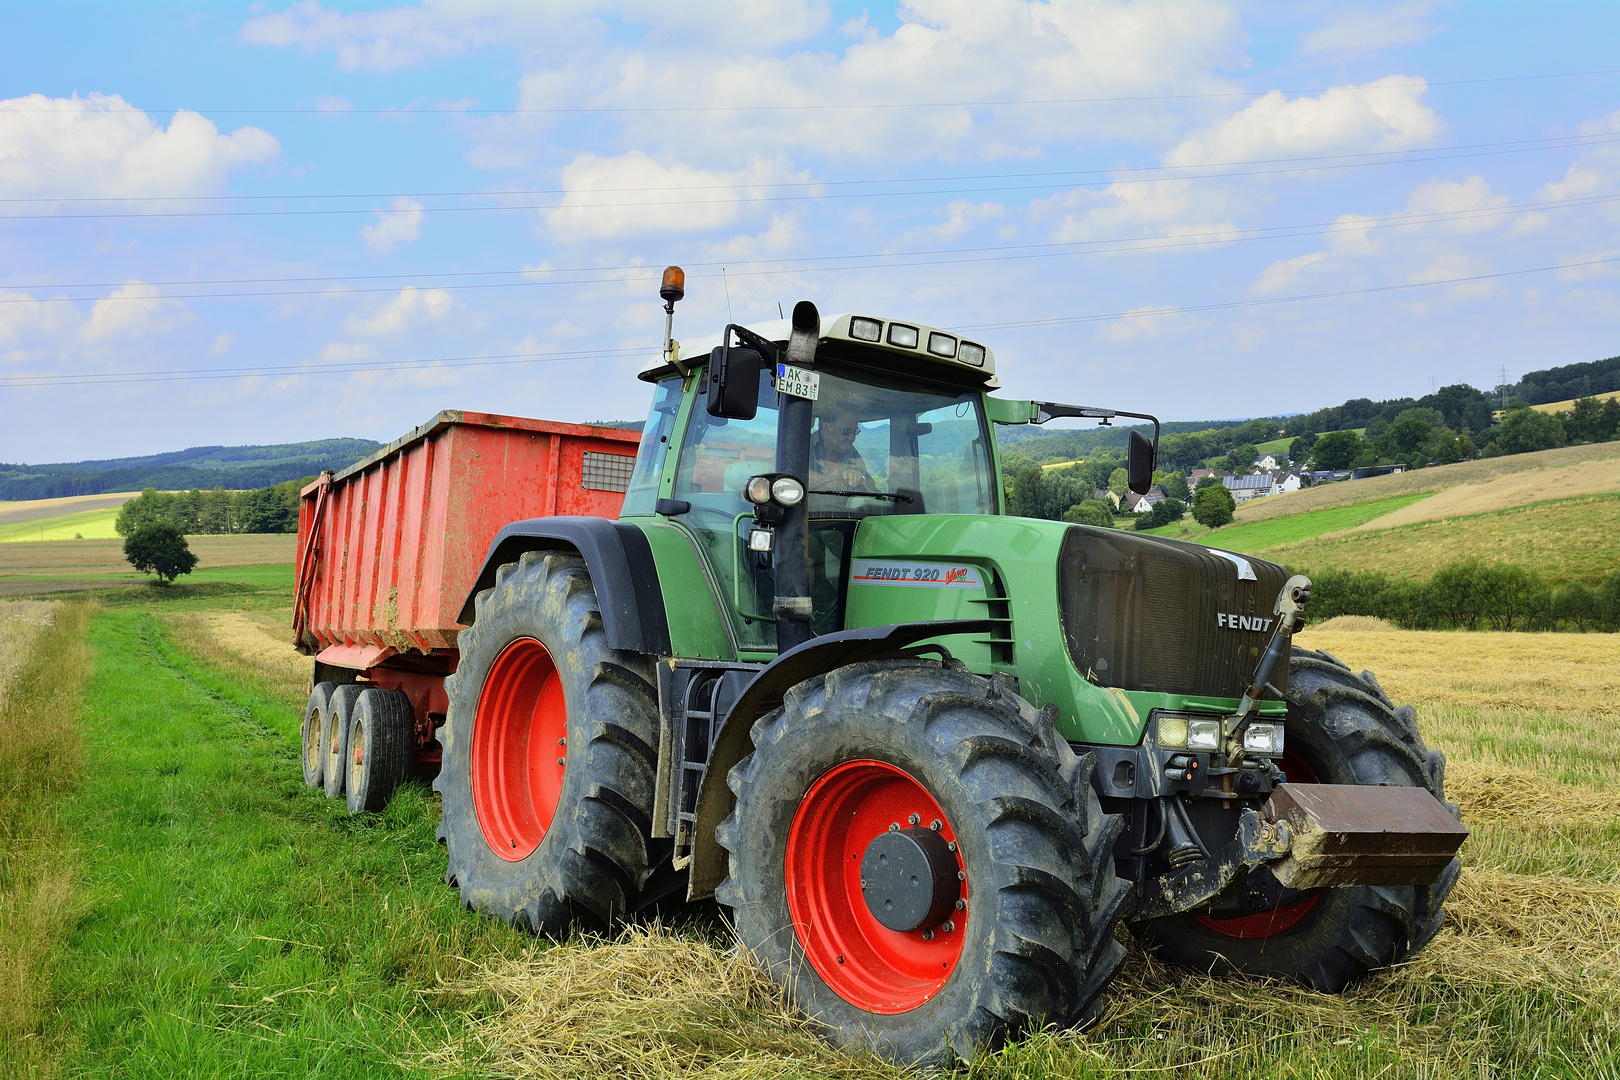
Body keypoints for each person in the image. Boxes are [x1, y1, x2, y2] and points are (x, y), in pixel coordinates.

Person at [809, 402, 877, 494]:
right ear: (827, 428)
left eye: (855, 432)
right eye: (846, 431)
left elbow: (872, 491)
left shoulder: (852, 453)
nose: (852, 438)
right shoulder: (802, 447)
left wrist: (859, 478)